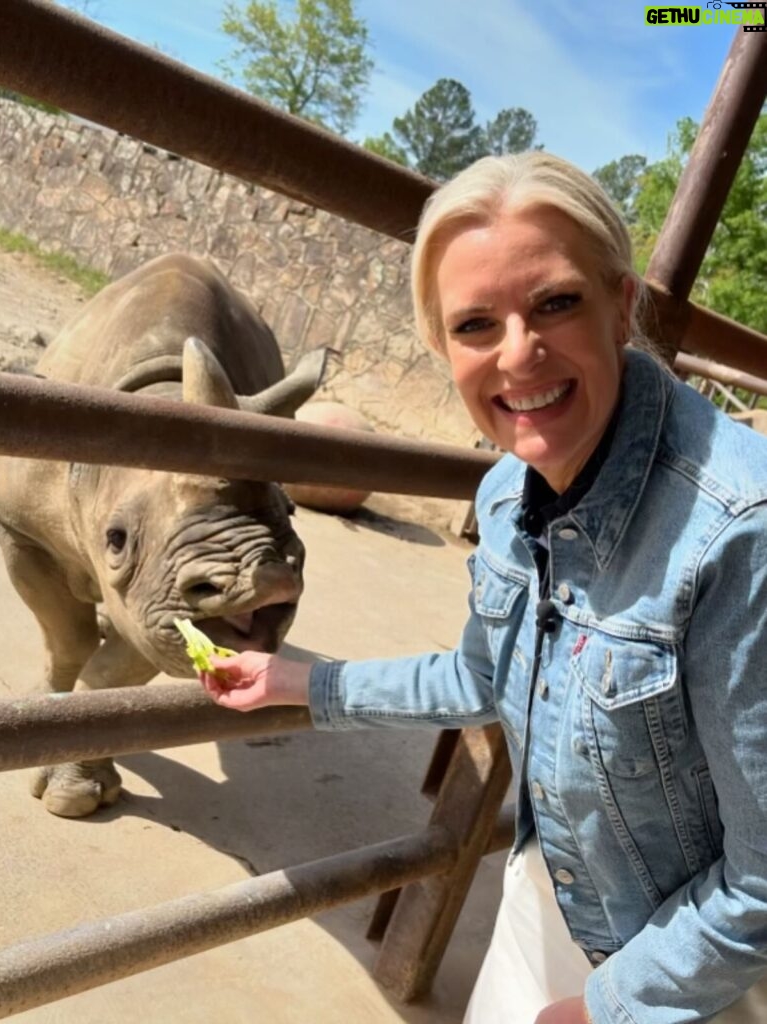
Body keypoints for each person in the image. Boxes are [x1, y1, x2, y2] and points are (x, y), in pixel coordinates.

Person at [198, 152, 767, 1024]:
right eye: (473, 325)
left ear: (620, 305)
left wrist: (608, 1006)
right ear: (439, 344)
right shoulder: (506, 493)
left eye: (556, 303)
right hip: (553, 891)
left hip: (698, 972)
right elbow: (483, 675)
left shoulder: (738, 533)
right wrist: (302, 684)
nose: (518, 354)